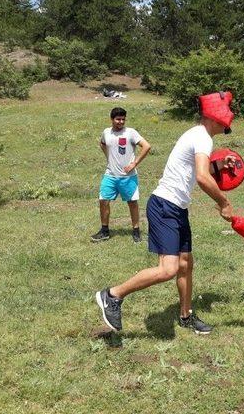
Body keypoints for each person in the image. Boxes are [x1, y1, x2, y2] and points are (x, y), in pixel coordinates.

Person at [95, 92, 236, 334]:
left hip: (177, 208)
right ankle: (113, 295)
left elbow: (197, 170)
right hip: (165, 206)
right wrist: (224, 202)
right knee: (168, 269)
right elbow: (202, 178)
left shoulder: (197, 135)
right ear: (218, 117)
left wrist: (218, 166)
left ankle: (185, 315)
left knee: (185, 264)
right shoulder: (202, 137)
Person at [91, 107, 151, 243]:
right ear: (112, 119)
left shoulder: (131, 133)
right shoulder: (106, 132)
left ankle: (136, 231)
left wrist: (134, 164)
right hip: (110, 175)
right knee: (103, 201)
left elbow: (146, 146)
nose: (121, 122)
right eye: (118, 119)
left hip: (128, 177)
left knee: (132, 203)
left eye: (123, 119)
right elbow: (102, 143)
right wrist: (109, 158)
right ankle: (105, 231)